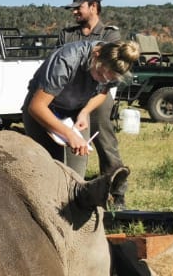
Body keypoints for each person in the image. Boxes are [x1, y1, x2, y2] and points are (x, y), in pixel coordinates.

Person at [22, 39, 140, 178]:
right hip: (43, 110)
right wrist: (69, 134)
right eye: (100, 74)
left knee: (76, 173)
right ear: (96, 55)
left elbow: (103, 92)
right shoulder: (67, 60)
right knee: (48, 169)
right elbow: (37, 107)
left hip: (75, 110)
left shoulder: (114, 67)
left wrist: (84, 112)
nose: (102, 80)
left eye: (109, 79)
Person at [60, 0, 127, 207]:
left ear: (93, 7)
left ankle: (116, 191)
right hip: (69, 93)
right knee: (65, 141)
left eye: (78, 8)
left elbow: (109, 68)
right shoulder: (67, 34)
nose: (74, 12)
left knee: (104, 141)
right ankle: (69, 188)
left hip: (98, 93)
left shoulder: (109, 35)